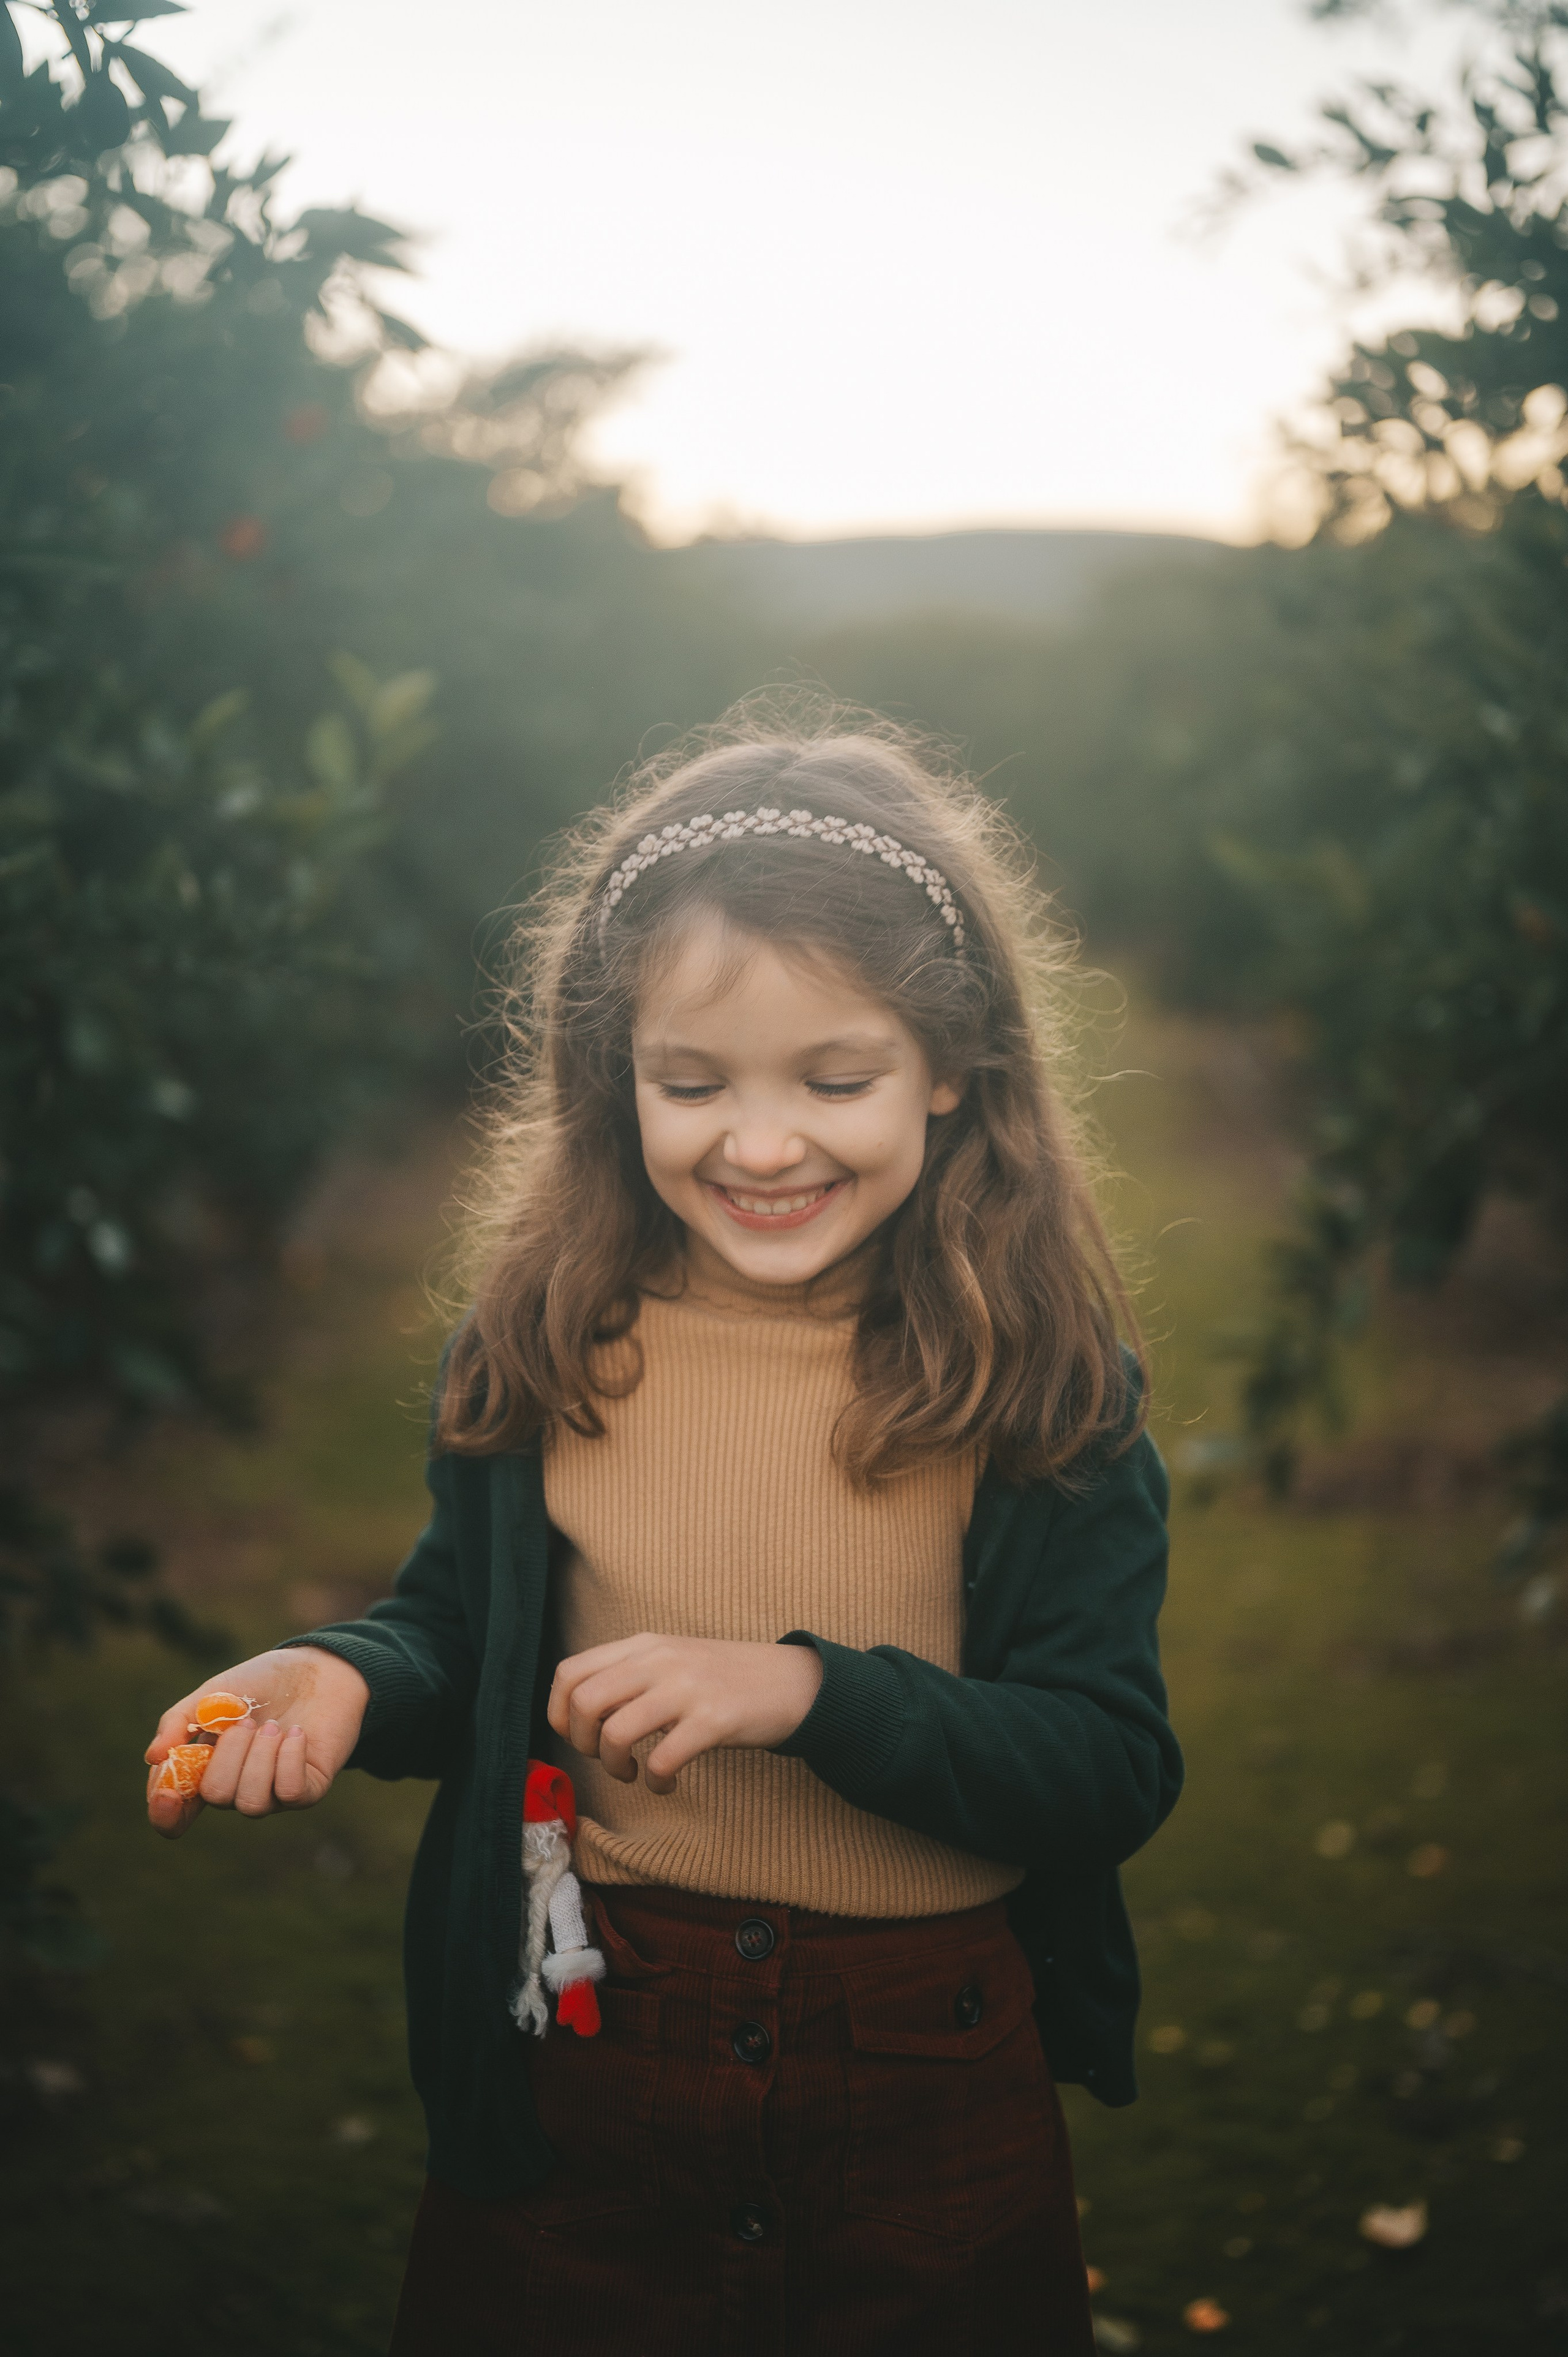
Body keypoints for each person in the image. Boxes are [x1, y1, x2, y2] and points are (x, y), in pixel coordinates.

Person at [145, 711, 1182, 2356]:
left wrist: (806, 1695)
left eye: (834, 1080)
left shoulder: (1039, 1388)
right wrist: (347, 1674)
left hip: (923, 2065)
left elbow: (1107, 1764)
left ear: (954, 1075)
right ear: (608, 1074)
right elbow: (466, 1638)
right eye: (690, 1083)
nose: (758, 1144)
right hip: (587, 2030)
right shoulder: (550, 1339)